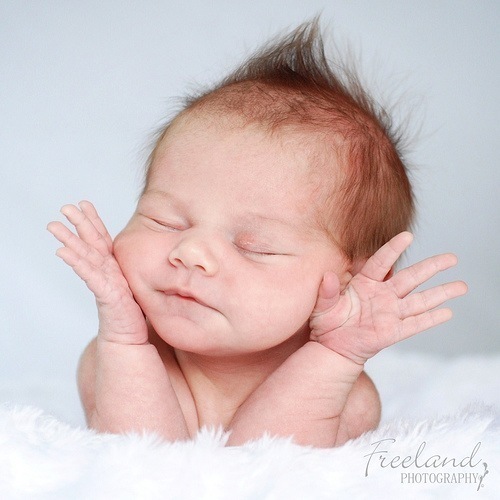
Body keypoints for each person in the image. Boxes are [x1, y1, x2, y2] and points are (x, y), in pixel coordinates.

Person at [47, 20, 467, 447]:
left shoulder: (346, 397)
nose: (191, 252)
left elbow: (266, 468)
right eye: (165, 221)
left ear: (353, 283)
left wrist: (333, 356)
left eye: (254, 247)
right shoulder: (114, 358)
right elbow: (141, 464)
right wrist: (125, 341)